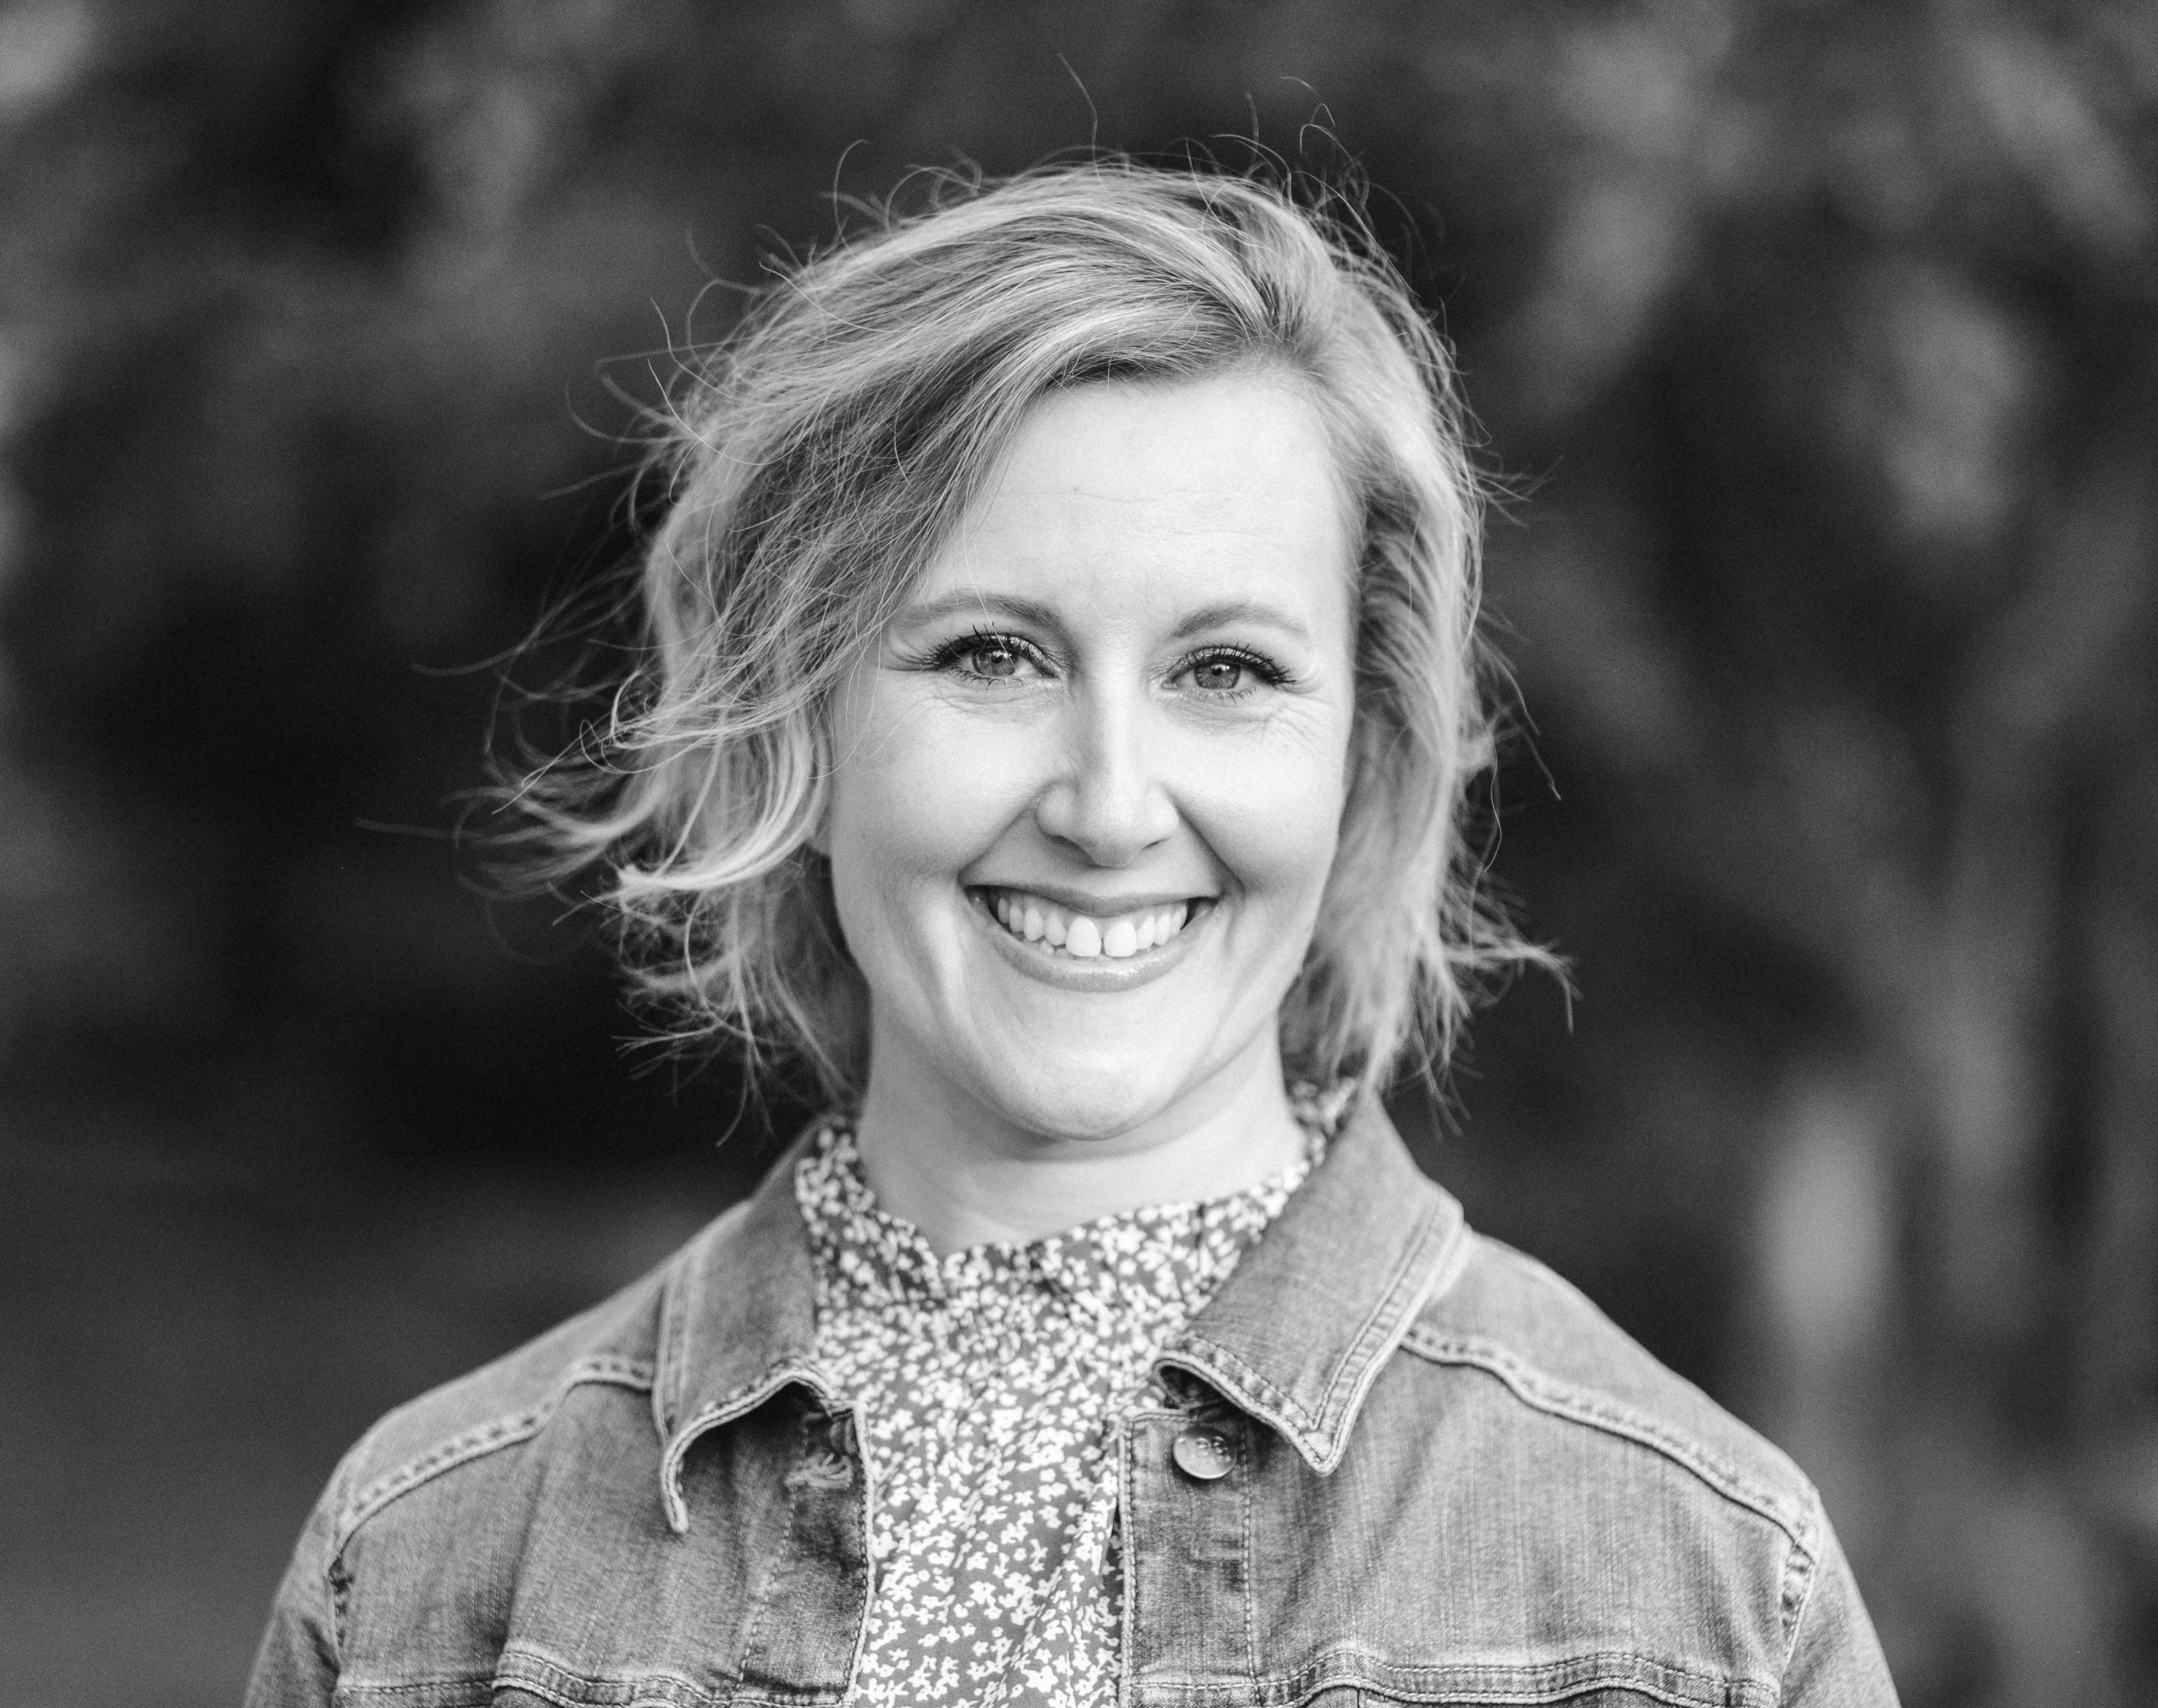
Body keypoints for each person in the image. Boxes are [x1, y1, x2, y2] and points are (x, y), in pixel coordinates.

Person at [247, 160, 1899, 1708]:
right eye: (988, 654)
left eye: (1227, 670)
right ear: (794, 732)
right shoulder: (424, 1581)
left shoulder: (1697, 1594)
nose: (1109, 804)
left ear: (1362, 755)